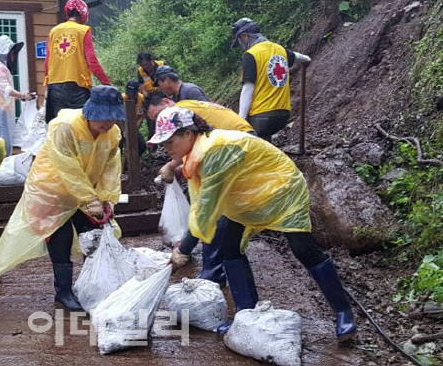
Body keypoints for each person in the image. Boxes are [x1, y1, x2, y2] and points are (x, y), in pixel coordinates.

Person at [149, 106, 357, 342]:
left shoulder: (215, 150)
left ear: (188, 133)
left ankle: (343, 312)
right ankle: (245, 315)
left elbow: (205, 210)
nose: (166, 149)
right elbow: (202, 204)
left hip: (281, 189)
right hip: (246, 197)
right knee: (230, 246)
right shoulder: (197, 150)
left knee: (302, 248)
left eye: (169, 141)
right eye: (163, 144)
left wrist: (183, 251)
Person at [0, 86, 125, 311]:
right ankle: (63, 292)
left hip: (85, 190)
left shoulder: (112, 133)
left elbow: (111, 165)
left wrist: (106, 198)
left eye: (112, 118)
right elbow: (67, 165)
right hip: (51, 190)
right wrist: (90, 198)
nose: (107, 123)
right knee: (60, 237)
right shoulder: (64, 127)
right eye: (102, 117)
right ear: (90, 112)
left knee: (93, 235)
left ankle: (91, 286)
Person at [144, 92, 254, 284]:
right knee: (222, 219)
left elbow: (206, 208)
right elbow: (191, 148)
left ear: (166, 102)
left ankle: (212, 273)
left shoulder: (183, 114)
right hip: (237, 143)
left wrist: (184, 249)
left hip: (241, 145)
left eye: (158, 115)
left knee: (216, 213)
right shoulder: (185, 118)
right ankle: (218, 272)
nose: (158, 120)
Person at [231, 18, 311, 142]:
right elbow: (299, 57)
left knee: (250, 144)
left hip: (261, 117)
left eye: (240, 41)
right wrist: (307, 60)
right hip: (282, 115)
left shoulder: (250, 55)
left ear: (245, 36)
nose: (241, 45)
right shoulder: (279, 49)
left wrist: (241, 119)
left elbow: (248, 88)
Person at [44, 0, 111, 123]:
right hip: (77, 87)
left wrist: (48, 84)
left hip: (55, 86)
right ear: (83, 14)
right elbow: (92, 60)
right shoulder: (83, 30)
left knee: (60, 125)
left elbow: (47, 62)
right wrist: (106, 82)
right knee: (80, 125)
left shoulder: (54, 31)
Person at [0, 35, 36, 156]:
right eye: (12, 52)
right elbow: (5, 89)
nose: (13, 56)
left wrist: (21, 98)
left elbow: (1, 93)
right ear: (5, 51)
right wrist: (23, 96)